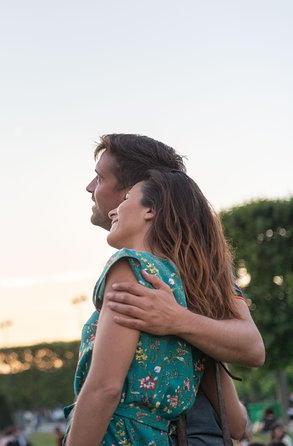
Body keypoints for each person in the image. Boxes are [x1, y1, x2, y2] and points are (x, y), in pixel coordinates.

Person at [77, 134, 263, 442]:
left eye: (99, 177)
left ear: (140, 192)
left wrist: (176, 319)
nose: (89, 187)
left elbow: (252, 346)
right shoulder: (161, 262)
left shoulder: (169, 265)